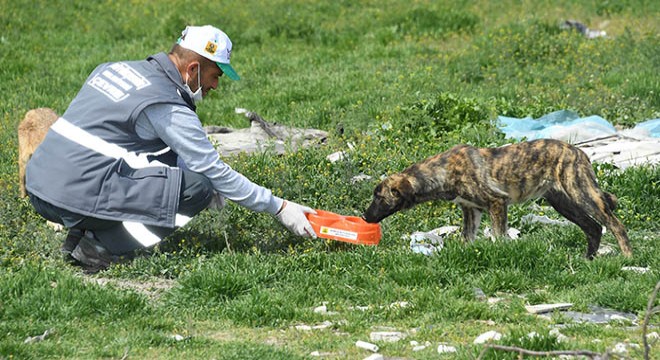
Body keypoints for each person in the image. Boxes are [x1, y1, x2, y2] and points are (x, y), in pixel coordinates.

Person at [25, 25, 317, 273]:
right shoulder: (168, 106)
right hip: (71, 194)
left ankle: (81, 232)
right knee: (197, 189)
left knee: (182, 173)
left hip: (38, 186)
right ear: (192, 70)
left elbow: (139, 149)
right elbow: (213, 171)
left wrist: (188, 169)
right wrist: (279, 207)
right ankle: (101, 247)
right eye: (216, 76)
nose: (215, 86)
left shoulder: (115, 69)